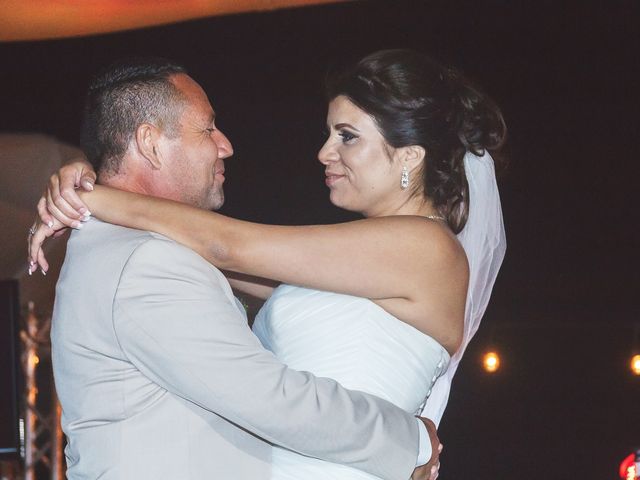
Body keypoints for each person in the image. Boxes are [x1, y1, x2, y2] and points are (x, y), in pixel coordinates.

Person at [31, 49, 507, 478]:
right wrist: (87, 176)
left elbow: (226, 247)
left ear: (409, 156)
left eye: (347, 137)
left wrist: (92, 196)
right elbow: (220, 259)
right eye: (329, 134)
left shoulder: (425, 248)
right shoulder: (357, 263)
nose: (325, 153)